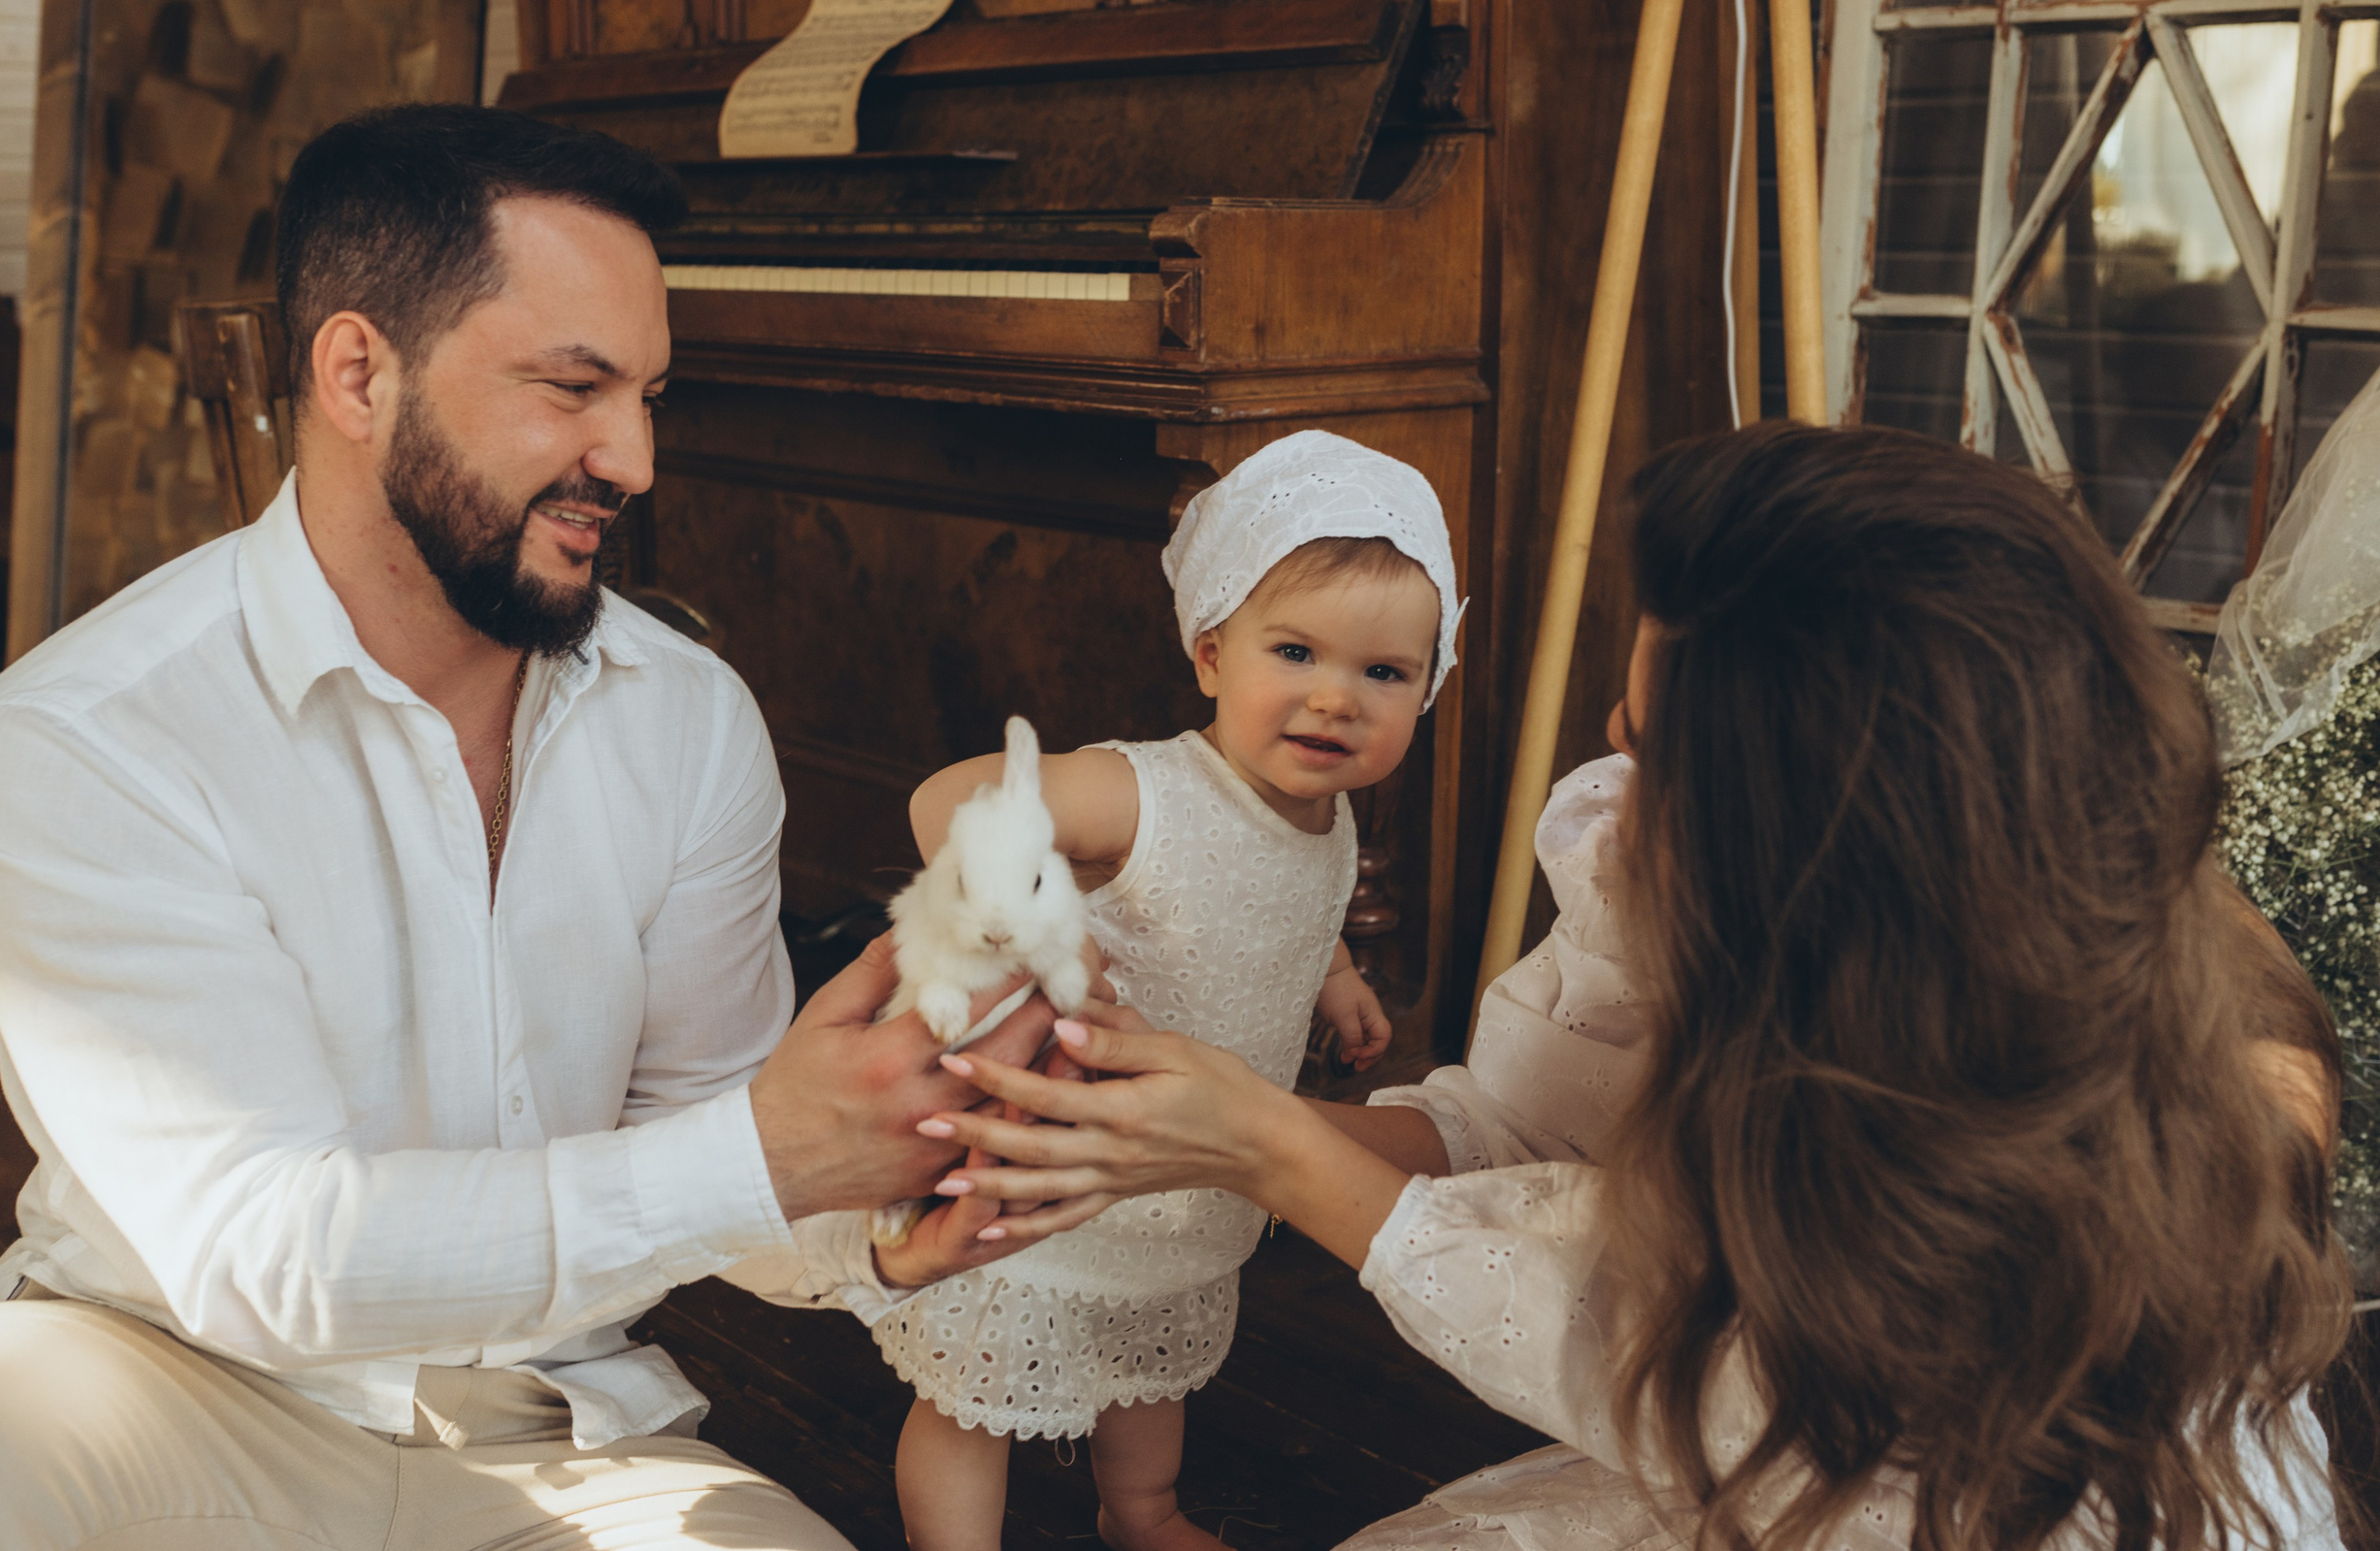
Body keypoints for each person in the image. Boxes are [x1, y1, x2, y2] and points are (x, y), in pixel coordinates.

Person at [0, 104, 1062, 1550]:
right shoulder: (79, 741)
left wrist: (890, 1207)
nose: (632, 457)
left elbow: (718, 1133)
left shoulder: (690, 720)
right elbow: (263, 1253)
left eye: (648, 393)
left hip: (556, 1423)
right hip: (154, 1386)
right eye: (571, 387)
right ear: (357, 372)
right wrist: (766, 1154)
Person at [918, 423, 2355, 1550]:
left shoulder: (2129, 1171)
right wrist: (1194, 1122)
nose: (1612, 785)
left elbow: (1687, 1384)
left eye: (1655, 754)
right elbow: (1526, 1125)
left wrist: (1264, 1142)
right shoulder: (1675, 880)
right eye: (1621, 720)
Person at [862, 430, 1460, 1551]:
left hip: (1186, 1175)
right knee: (970, 1395)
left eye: (1384, 672)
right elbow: (953, 799)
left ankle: (1142, 1509)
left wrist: (1336, 980)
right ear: (1210, 652)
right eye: (1296, 652)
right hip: (1046, 1163)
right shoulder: (1144, 794)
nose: (1336, 699)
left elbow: (1298, 904)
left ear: (1427, 690)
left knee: (1153, 1351)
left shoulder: (1329, 825)